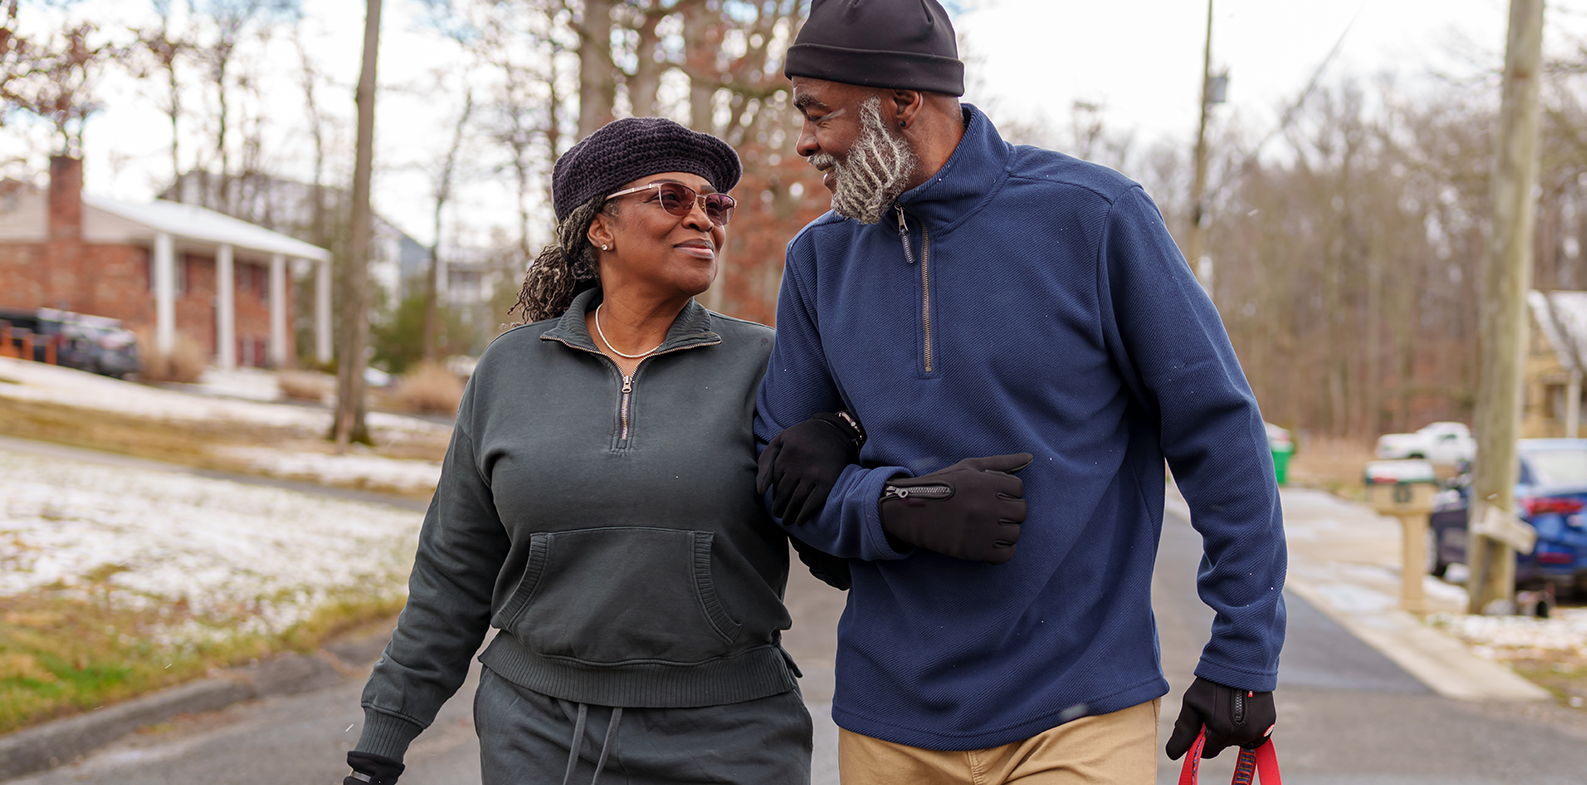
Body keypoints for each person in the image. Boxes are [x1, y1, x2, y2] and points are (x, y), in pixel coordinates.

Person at [752, 0, 1288, 782]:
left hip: (1077, 713)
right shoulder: (818, 261)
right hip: (888, 721)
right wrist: (895, 506)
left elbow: (1218, 432)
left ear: (901, 101)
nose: (804, 141)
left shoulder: (1094, 217)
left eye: (816, 113)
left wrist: (1243, 647)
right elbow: (780, 478)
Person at [344, 117, 827, 785]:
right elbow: (453, 570)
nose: (702, 219)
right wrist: (384, 738)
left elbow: (835, 540)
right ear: (600, 226)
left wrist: (847, 442)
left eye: (715, 204)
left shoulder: (768, 364)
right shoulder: (509, 369)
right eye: (671, 197)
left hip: (734, 737)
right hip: (538, 739)